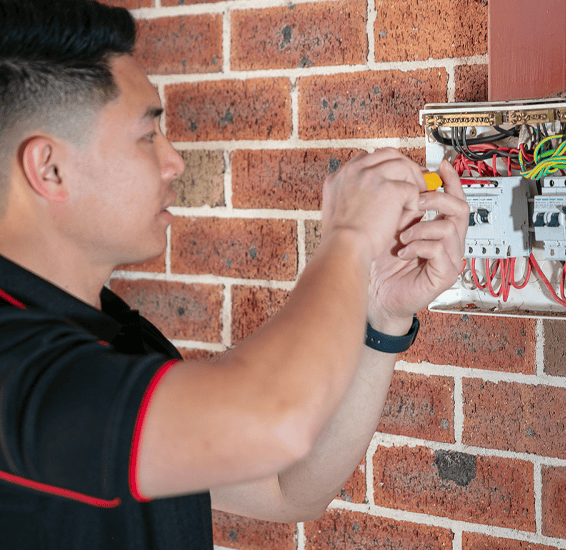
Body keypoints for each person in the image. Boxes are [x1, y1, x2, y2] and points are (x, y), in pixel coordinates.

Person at [0, 0, 469, 548]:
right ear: (49, 168)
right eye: (148, 135)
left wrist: (380, 311)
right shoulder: (14, 361)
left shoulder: (111, 335)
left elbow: (288, 490)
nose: (173, 161)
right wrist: (350, 237)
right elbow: (274, 420)